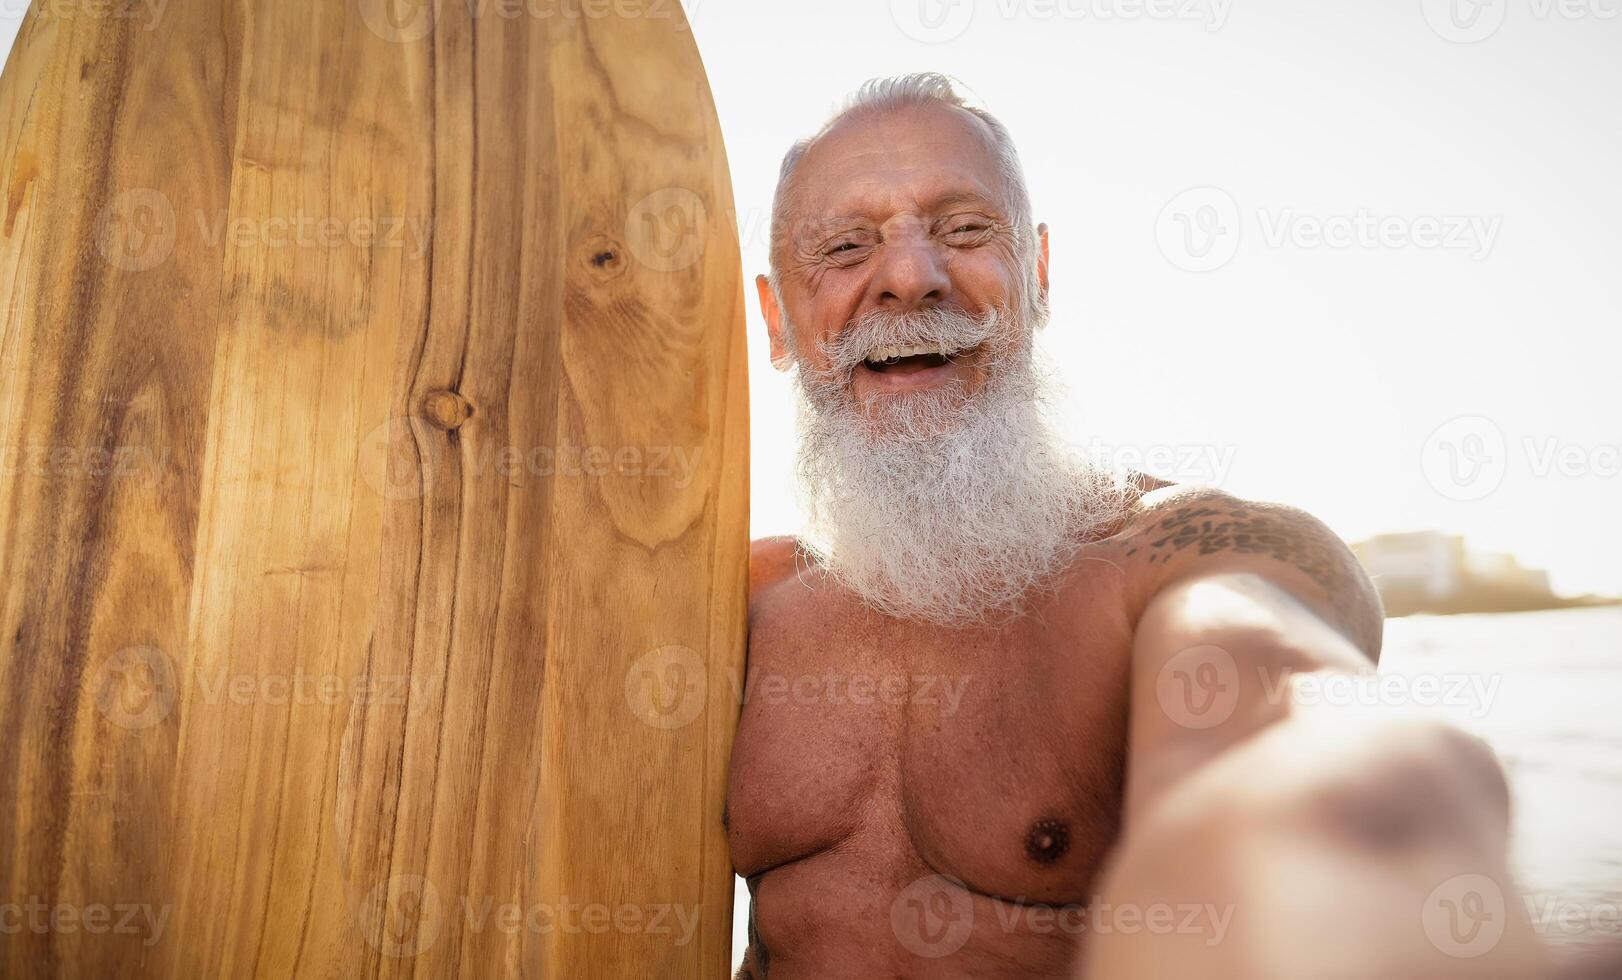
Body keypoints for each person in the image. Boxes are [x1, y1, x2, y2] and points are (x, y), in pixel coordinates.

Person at [724, 73, 1545, 978]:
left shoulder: (1180, 564)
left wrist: (1366, 870)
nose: (912, 279)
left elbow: (1290, 729)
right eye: (844, 247)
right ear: (776, 320)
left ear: (1037, 277)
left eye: (963, 231)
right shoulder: (738, 609)